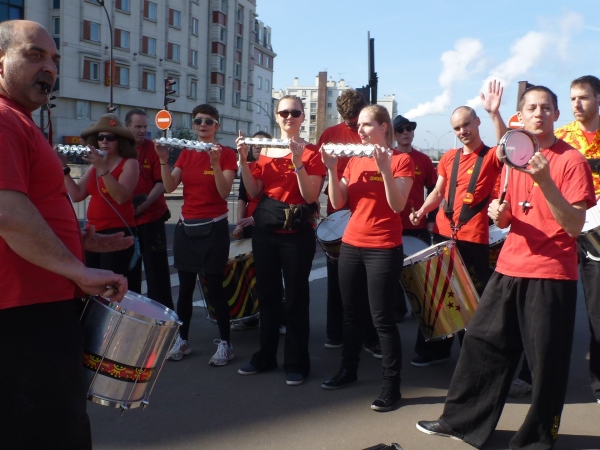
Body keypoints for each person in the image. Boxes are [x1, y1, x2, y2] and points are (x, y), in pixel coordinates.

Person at [416, 85, 596, 449]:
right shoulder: (515, 157)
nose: (539, 113)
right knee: (481, 343)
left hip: (550, 274)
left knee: (546, 363)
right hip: (509, 266)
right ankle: (461, 421)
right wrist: (502, 214)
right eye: (532, 108)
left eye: (546, 107)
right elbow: (511, 213)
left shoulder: (572, 160)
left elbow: (574, 225)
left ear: (556, 115)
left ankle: (538, 439)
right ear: (522, 116)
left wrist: (545, 181)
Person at [0, 19, 128, 448]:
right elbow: (7, 213)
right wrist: (79, 270)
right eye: (34, 55)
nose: (50, 68)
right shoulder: (4, 119)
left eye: (55, 59)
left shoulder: (19, 121)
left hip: (37, 307)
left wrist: (80, 241)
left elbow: (31, 207)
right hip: (25, 314)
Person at [498, 76, 600, 401]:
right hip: (558, 225)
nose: (577, 104)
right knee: (539, 319)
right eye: (572, 98)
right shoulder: (560, 136)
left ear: (598, 99)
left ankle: (597, 382)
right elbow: (513, 150)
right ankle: (530, 376)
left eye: (583, 97)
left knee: (597, 311)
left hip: (593, 229)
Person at [320, 104, 414, 411]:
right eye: (358, 125)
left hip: (383, 248)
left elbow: (398, 205)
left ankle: (391, 386)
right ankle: (348, 369)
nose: (359, 129)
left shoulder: (401, 160)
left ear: (383, 127)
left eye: (366, 124)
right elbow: (337, 202)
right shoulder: (354, 161)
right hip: (351, 245)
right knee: (350, 314)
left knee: (382, 319)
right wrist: (331, 169)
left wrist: (385, 169)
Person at [236, 95, 326, 386]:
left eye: (295, 112)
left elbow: (310, 196)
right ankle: (265, 356)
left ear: (303, 117)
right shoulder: (266, 151)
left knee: (296, 298)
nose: (289, 116)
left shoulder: (312, 152)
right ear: (276, 116)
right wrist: (243, 161)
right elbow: (254, 191)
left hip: (296, 235)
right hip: (266, 233)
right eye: (284, 112)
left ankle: (297, 363)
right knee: (268, 296)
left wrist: (297, 162)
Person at [409, 103, 502, 367]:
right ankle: (435, 349)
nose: (462, 131)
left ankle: (474, 357)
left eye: (466, 124)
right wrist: (422, 211)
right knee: (439, 293)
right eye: (457, 128)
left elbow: (508, 148)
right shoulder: (449, 157)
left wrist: (495, 113)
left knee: (472, 299)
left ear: (477, 122)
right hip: (442, 233)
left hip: (473, 238)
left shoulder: (491, 156)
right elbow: (438, 192)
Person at [156, 104, 238, 366]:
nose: (203, 125)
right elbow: (170, 186)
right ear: (193, 125)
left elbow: (224, 192)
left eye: (208, 121)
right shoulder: (187, 153)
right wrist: (163, 160)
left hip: (214, 227)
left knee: (215, 288)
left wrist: (215, 164)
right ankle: (183, 340)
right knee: (185, 289)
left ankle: (225, 343)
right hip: (187, 227)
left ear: (217, 126)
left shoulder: (226, 154)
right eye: (198, 121)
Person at [316, 88, 380, 356]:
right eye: (348, 122)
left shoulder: (371, 133)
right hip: (338, 214)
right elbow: (319, 172)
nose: (354, 127)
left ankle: (369, 337)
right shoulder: (330, 134)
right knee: (337, 280)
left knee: (367, 284)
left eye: (356, 122)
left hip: (367, 213)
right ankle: (336, 333)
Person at [64, 113, 140, 281]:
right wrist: (64, 169)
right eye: (100, 137)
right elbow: (77, 194)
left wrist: (102, 168)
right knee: (92, 282)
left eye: (110, 137)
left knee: (111, 283)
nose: (105, 141)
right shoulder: (94, 166)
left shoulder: (129, 163)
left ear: (119, 140)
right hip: (94, 232)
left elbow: (120, 197)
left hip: (117, 231)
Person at [125, 108, 174, 310]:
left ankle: (163, 316)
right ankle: (132, 314)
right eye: (138, 126)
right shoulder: (120, 148)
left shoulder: (153, 148)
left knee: (157, 272)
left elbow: (160, 183)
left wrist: (143, 206)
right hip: (127, 220)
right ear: (127, 127)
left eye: (145, 126)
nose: (143, 131)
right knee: (130, 272)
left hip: (152, 217)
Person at [393, 114, 437, 321]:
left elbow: (435, 189)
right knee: (394, 272)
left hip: (418, 226)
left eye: (409, 129)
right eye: (400, 130)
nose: (405, 133)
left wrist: (431, 217)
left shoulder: (423, 160)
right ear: (394, 134)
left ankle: (423, 310)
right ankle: (398, 309)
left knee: (420, 271)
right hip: (394, 225)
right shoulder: (388, 158)